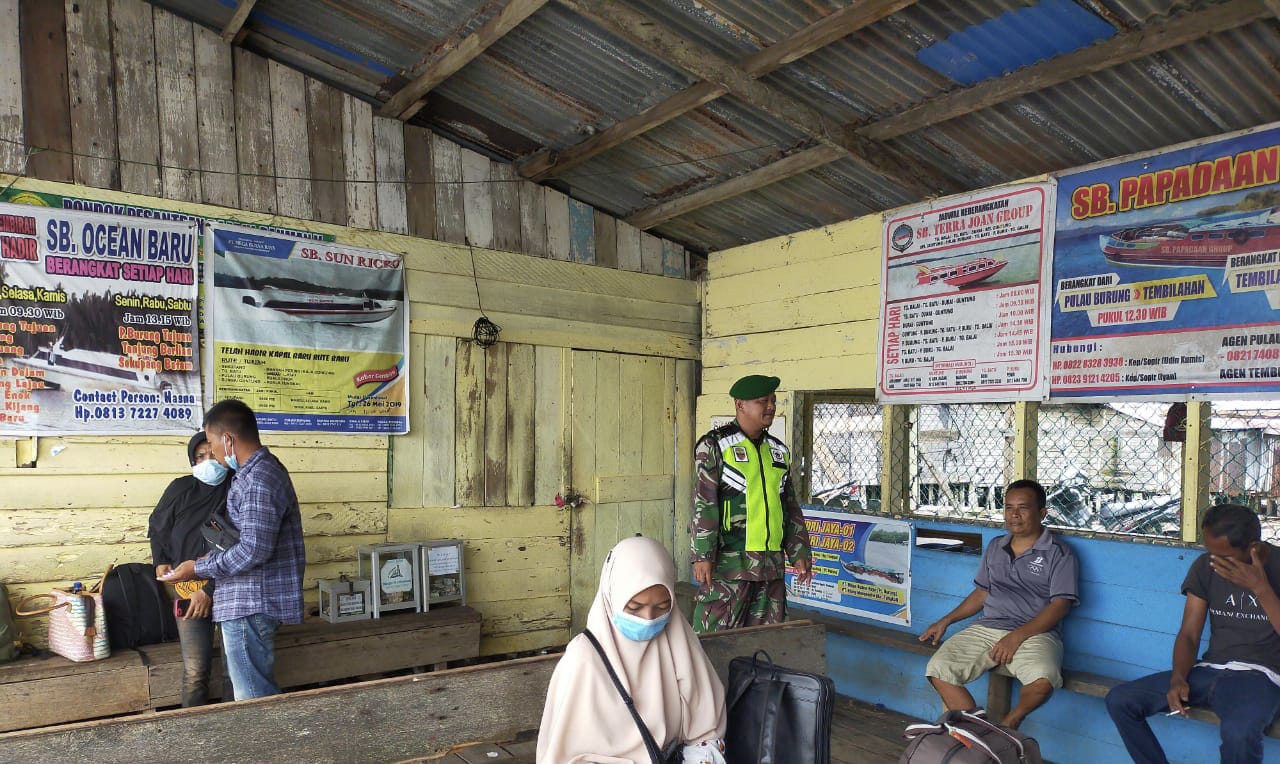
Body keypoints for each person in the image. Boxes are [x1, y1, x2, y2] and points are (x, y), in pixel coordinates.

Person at [1106, 504, 1280, 764]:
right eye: (1211, 552)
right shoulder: (1205, 565)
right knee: (1120, 700)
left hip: (1260, 677)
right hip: (1208, 670)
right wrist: (1178, 677)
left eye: (1225, 556)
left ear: (1253, 547)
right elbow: (1189, 632)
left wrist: (1260, 588)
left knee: (1240, 732)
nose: (1216, 561)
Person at [160, 399, 305, 701]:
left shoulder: (259, 479)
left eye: (211, 444)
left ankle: (264, 749)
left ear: (227, 439)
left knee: (252, 698)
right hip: (244, 601)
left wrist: (198, 568)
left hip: (250, 602)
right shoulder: (252, 474)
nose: (211, 453)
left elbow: (254, 550)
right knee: (248, 694)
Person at [538, 535, 727, 764]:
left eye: (661, 607)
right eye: (635, 608)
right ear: (612, 598)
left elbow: (707, 732)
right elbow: (563, 755)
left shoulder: (679, 643)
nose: (648, 619)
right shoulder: (583, 660)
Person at [919, 479, 1078, 729]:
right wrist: (945, 621)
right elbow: (982, 593)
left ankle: (1007, 725)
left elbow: (1060, 605)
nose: (1014, 514)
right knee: (939, 669)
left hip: (1035, 633)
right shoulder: (996, 546)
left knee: (1043, 679)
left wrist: (1016, 637)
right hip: (988, 627)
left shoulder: (1059, 552)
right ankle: (981, 732)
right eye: (1008, 507)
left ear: (1042, 513)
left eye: (1023, 508)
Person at [690, 374, 813, 634]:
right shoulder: (714, 446)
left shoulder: (778, 451)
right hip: (729, 567)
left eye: (772, 400)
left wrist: (799, 551)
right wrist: (702, 555)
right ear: (740, 404)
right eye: (762, 401)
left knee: (766, 643)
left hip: (771, 568)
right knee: (714, 641)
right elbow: (705, 503)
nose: (770, 406)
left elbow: (789, 506)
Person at [147, 431, 231, 707]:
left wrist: (209, 589)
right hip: (184, 588)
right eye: (200, 456)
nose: (208, 461)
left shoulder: (237, 488)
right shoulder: (180, 488)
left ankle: (240, 732)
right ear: (191, 460)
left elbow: (240, 546)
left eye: (213, 455)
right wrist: (160, 560)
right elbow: (159, 527)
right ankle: (192, 737)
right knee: (195, 671)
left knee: (235, 670)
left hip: (230, 586)